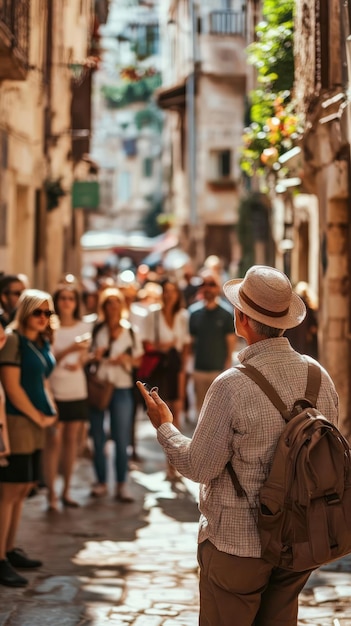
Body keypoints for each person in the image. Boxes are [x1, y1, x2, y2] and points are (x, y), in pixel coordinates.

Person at [137, 265, 338, 626]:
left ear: (241, 317)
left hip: (237, 544)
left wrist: (165, 427)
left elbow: (198, 467)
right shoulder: (318, 376)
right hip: (299, 540)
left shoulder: (231, 386)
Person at [0, 289, 57, 587]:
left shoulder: (39, 340)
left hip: (35, 424)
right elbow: (12, 387)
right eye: (38, 312)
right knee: (9, 491)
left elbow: (41, 380)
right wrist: (38, 417)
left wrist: (49, 412)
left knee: (22, 489)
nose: (43, 318)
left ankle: (9, 549)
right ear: (24, 311)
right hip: (17, 422)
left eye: (48, 313)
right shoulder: (12, 340)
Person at [89, 287, 143, 502]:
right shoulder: (97, 329)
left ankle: (121, 484)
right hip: (99, 386)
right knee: (98, 436)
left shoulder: (130, 330)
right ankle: (101, 481)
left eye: (116, 302)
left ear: (122, 306)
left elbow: (138, 360)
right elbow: (88, 357)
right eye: (108, 303)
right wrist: (96, 355)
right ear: (103, 307)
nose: (112, 307)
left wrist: (125, 360)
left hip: (121, 387)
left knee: (121, 438)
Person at [45, 285, 93, 510]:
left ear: (76, 302)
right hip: (54, 392)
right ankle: (51, 493)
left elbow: (85, 357)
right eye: (62, 298)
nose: (66, 302)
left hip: (77, 390)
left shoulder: (85, 326)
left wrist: (82, 359)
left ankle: (66, 491)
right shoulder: (49, 327)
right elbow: (50, 360)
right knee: (53, 442)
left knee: (71, 443)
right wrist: (71, 349)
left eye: (71, 298)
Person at [142, 279, 191, 479]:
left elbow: (185, 345)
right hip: (160, 369)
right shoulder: (152, 315)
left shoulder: (182, 316)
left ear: (177, 295)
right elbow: (146, 343)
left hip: (176, 367)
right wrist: (162, 346)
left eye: (173, 291)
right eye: (166, 291)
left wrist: (183, 370)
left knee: (176, 413)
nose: (169, 295)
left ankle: (175, 465)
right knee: (163, 417)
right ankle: (167, 466)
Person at [188, 270, 236, 414]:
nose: (207, 288)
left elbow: (231, 344)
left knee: (219, 413)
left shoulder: (226, 313)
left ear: (218, 287)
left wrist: (227, 368)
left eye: (211, 284)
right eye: (204, 284)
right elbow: (190, 343)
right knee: (200, 412)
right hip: (199, 370)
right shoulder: (193, 313)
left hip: (218, 371)